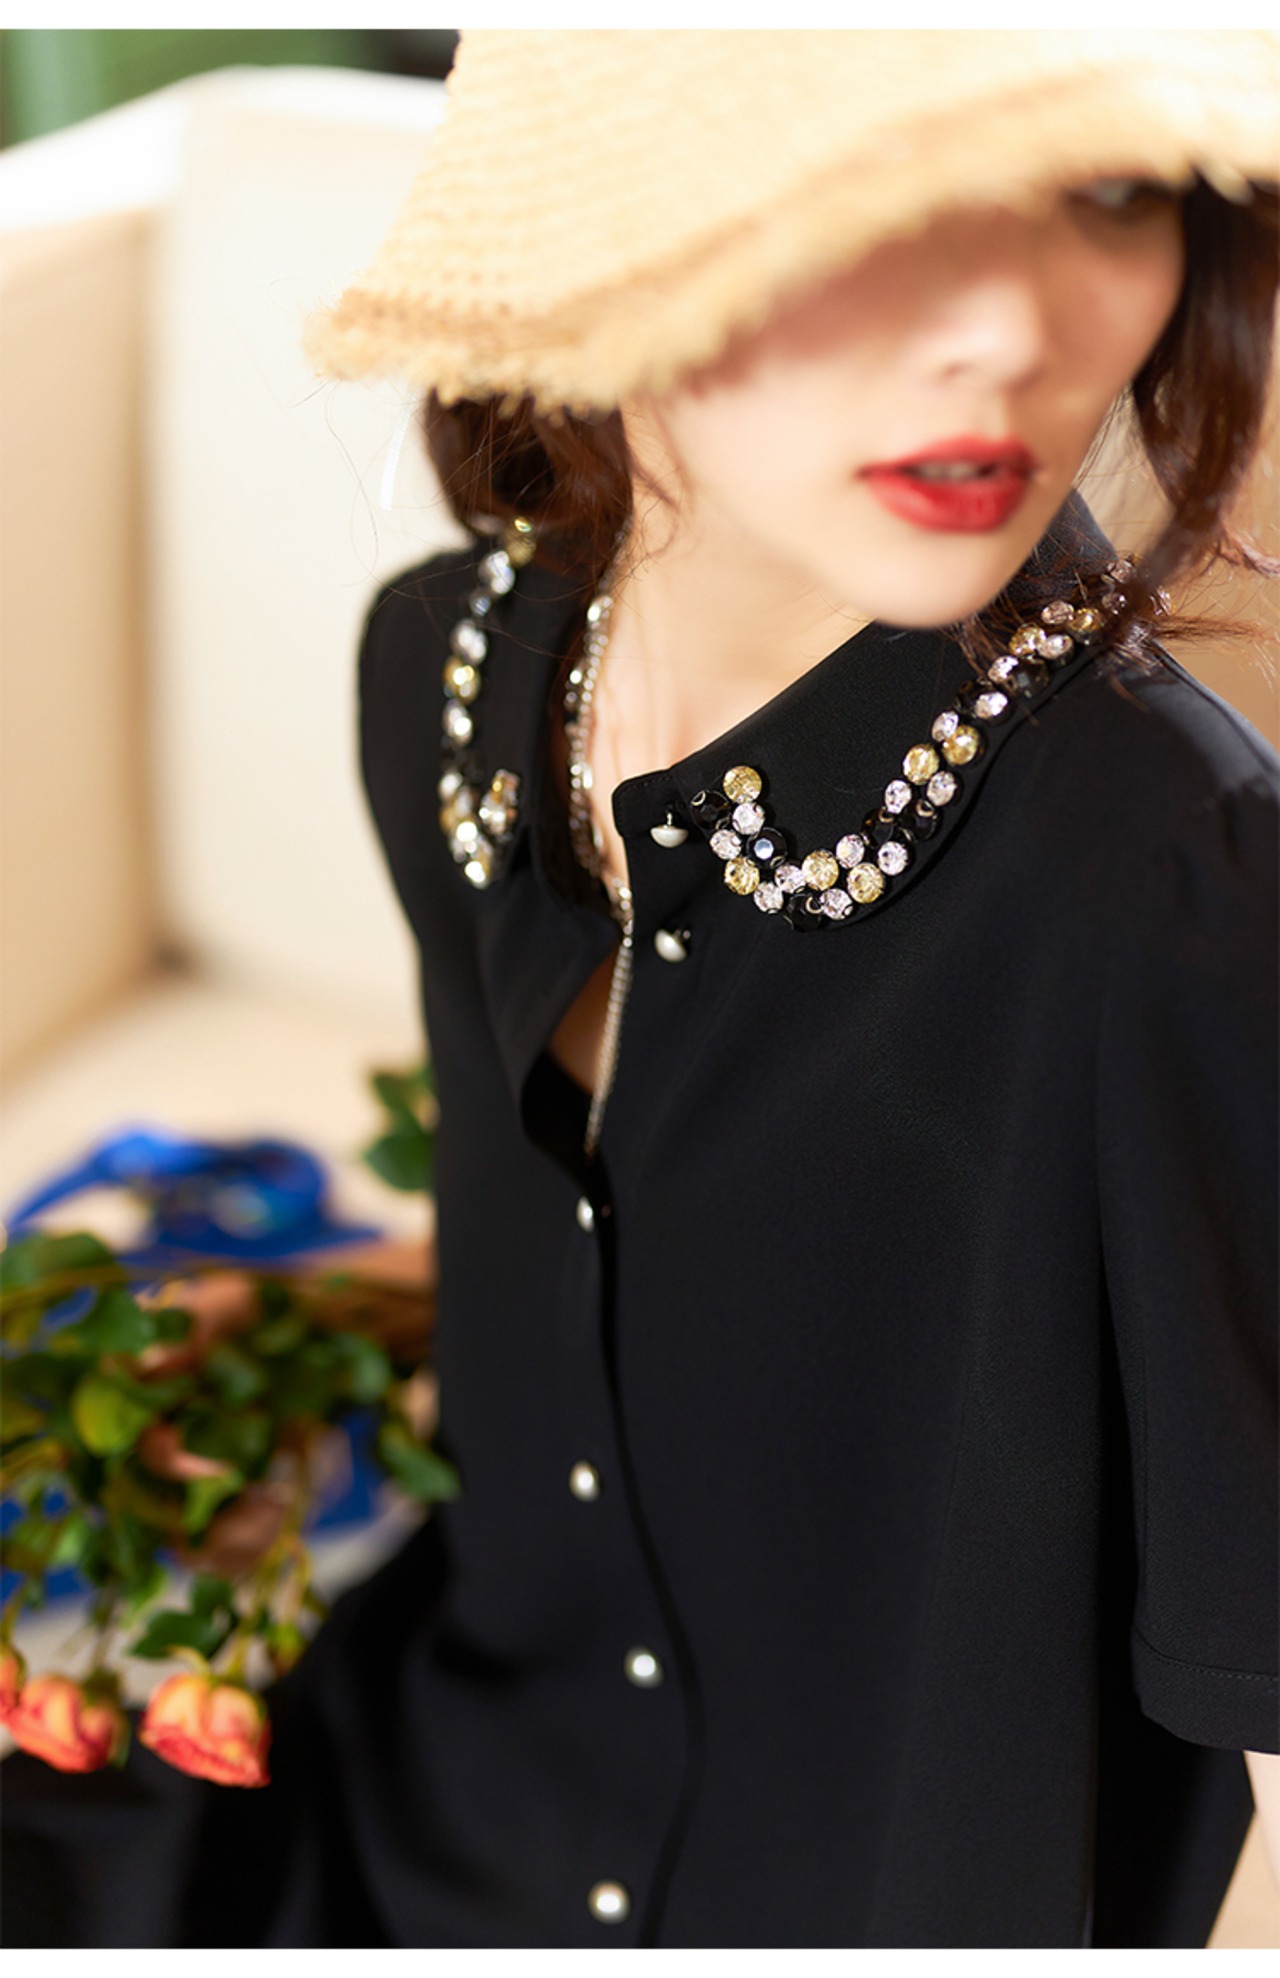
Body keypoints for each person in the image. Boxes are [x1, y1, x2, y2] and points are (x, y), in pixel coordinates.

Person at [3, 28, 1278, 1950]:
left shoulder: (1176, 884)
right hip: (442, 1814)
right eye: (876, 198)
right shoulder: (444, 679)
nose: (1013, 329)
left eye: (1104, 193)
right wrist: (354, 1311)